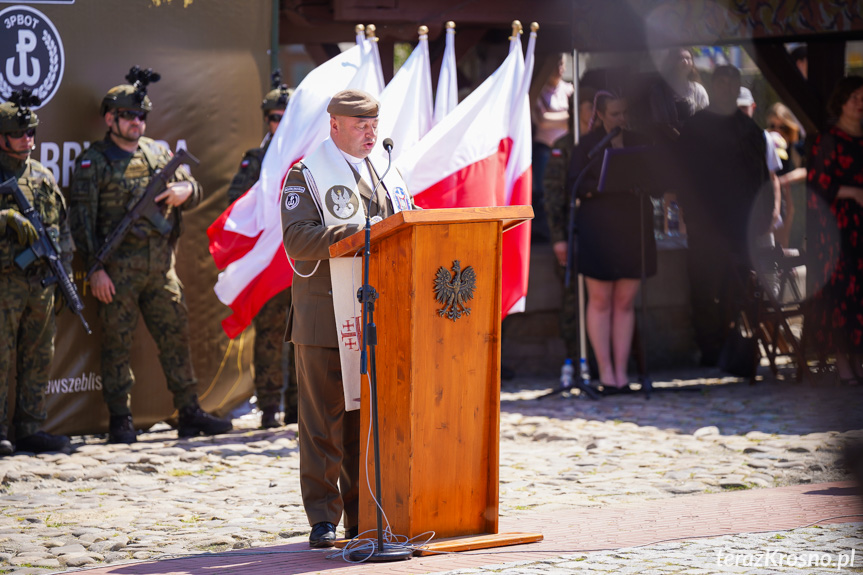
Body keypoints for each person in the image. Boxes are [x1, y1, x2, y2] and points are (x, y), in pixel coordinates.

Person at [280, 89, 416, 548]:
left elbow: (408, 222)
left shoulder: (386, 170)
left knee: (365, 422)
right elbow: (297, 239)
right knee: (323, 422)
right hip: (323, 317)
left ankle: (363, 516)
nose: (370, 133)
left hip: (377, 312)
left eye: (374, 125)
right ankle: (323, 519)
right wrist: (360, 233)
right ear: (334, 124)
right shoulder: (307, 175)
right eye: (360, 126)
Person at [70, 68, 232, 443]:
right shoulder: (93, 161)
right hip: (117, 271)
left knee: (175, 338)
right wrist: (96, 270)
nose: (137, 122)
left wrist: (185, 192)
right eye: (129, 116)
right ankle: (120, 419)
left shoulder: (159, 153)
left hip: (161, 269)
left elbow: (196, 186)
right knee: (116, 345)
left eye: (142, 116)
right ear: (110, 118)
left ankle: (189, 410)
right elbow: (81, 223)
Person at [677, 65, 776, 367]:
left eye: (731, 82)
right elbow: (684, 178)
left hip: (742, 224)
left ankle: (739, 346)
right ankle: (710, 350)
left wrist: (766, 216)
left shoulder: (751, 131)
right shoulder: (694, 128)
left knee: (740, 288)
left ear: (737, 87)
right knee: (705, 288)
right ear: (712, 85)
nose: (726, 87)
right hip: (705, 225)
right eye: (720, 82)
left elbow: (763, 178)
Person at [567, 91, 655, 392]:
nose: (621, 119)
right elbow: (575, 185)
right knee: (601, 300)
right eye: (615, 113)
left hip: (632, 228)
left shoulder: (638, 143)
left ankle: (622, 371)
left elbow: (655, 179)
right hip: (599, 229)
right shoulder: (588, 146)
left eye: (624, 112)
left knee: (625, 302)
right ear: (601, 114)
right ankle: (605, 372)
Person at [0, 91, 73, 455]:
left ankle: (30, 427)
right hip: (4, 282)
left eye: (31, 132)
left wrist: (66, 275)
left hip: (40, 281)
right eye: (19, 132)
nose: (28, 139)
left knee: (39, 354)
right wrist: (6, 217)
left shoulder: (42, 176)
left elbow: (63, 228)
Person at [226, 72, 298, 428]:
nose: (280, 123)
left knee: (305, 336)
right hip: (270, 261)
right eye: (274, 117)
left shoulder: (308, 157)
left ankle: (301, 408)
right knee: (270, 335)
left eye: (287, 116)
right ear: (267, 119)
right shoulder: (255, 159)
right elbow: (235, 204)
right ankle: (269, 407)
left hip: (302, 260)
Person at [806, 75, 863, 383]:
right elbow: (817, 186)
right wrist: (853, 193)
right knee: (843, 294)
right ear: (841, 101)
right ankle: (843, 361)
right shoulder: (826, 140)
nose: (860, 102)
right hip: (837, 230)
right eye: (855, 96)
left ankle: (857, 359)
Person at [532, 54, 574, 243]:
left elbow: (550, 119)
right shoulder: (539, 91)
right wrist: (567, 118)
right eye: (555, 63)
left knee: (566, 189)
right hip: (544, 149)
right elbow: (541, 120)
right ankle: (544, 233)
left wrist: (553, 118)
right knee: (543, 191)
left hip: (566, 149)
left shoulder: (569, 89)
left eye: (562, 63)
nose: (559, 68)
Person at [648, 47, 709, 139]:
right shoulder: (658, 91)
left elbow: (705, 119)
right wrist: (681, 142)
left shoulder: (698, 90)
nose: (685, 62)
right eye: (680, 58)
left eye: (688, 58)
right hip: (668, 145)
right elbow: (663, 124)